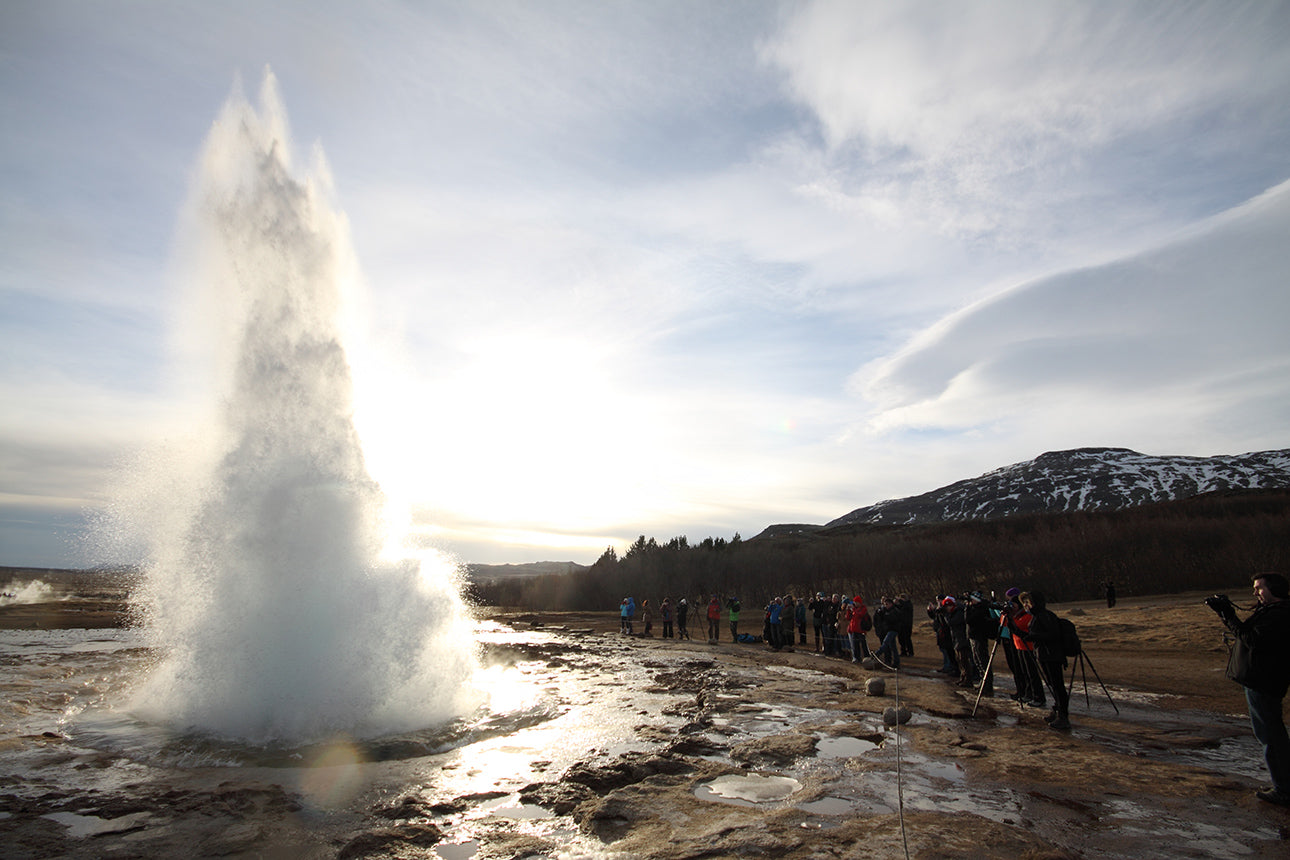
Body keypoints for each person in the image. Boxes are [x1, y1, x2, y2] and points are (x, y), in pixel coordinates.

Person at [1208, 572, 1290, 806]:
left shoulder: (1280, 614)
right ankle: (1283, 784)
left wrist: (1229, 615)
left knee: (1270, 736)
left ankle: (1284, 788)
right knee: (1271, 734)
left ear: (1274, 590)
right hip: (1261, 680)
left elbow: (1251, 639)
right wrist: (1226, 614)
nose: (1255, 593)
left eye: (1259, 589)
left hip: (1264, 682)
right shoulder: (1273, 611)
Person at [1021, 591, 1069, 730]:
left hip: (1051, 655)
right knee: (1053, 684)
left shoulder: (1044, 616)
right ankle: (1057, 710)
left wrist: (1033, 636)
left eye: (1028, 603)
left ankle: (1063, 716)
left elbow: (1052, 635)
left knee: (1057, 685)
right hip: (1045, 654)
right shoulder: (1038, 616)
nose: (1026, 605)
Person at [965, 592, 996, 696]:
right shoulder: (976, 608)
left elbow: (968, 619)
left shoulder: (980, 609)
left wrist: (968, 608)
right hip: (974, 637)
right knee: (977, 661)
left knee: (983, 662)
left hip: (979, 637)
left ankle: (987, 686)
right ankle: (983, 682)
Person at [872, 596, 901, 669]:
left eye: (887, 604)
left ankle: (877, 653)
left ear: (891, 604)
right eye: (885, 604)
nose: (886, 606)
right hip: (888, 630)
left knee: (886, 643)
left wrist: (884, 615)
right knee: (893, 647)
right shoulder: (885, 611)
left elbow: (891, 619)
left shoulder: (894, 611)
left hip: (893, 630)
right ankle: (896, 662)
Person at [846, 595, 872, 662]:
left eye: (856, 602)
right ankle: (857, 658)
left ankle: (867, 657)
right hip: (854, 630)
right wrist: (848, 610)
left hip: (861, 629)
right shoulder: (854, 609)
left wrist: (853, 610)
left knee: (863, 645)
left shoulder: (863, 608)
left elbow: (859, 615)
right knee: (855, 645)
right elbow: (848, 618)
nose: (855, 603)